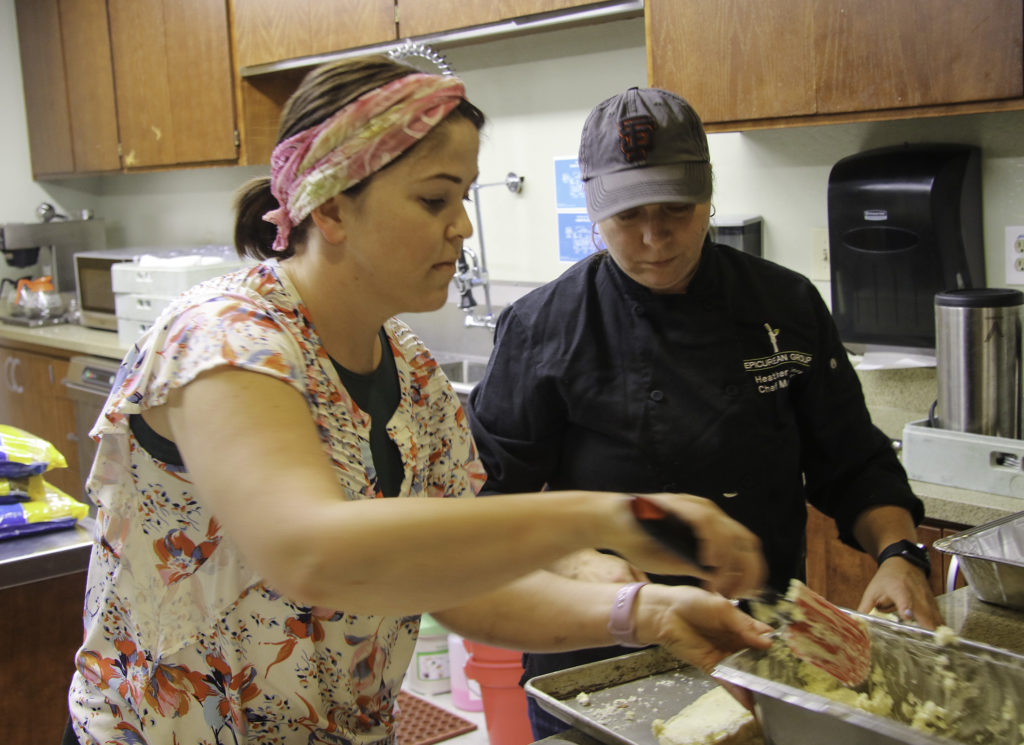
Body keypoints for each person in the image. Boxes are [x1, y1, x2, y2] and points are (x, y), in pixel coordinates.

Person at [63, 61, 773, 745]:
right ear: (333, 206)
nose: (461, 225)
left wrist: (645, 611)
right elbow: (307, 550)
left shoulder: (414, 372)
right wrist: (607, 516)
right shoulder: (224, 339)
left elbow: (459, 588)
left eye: (463, 196)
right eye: (436, 198)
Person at [466, 86, 944, 740]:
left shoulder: (785, 306)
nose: (655, 237)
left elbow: (854, 460)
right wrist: (575, 559)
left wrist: (900, 552)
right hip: (596, 652)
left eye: (677, 209)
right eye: (629, 215)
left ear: (709, 192)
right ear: (593, 206)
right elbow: (483, 511)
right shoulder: (543, 328)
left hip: (755, 651)